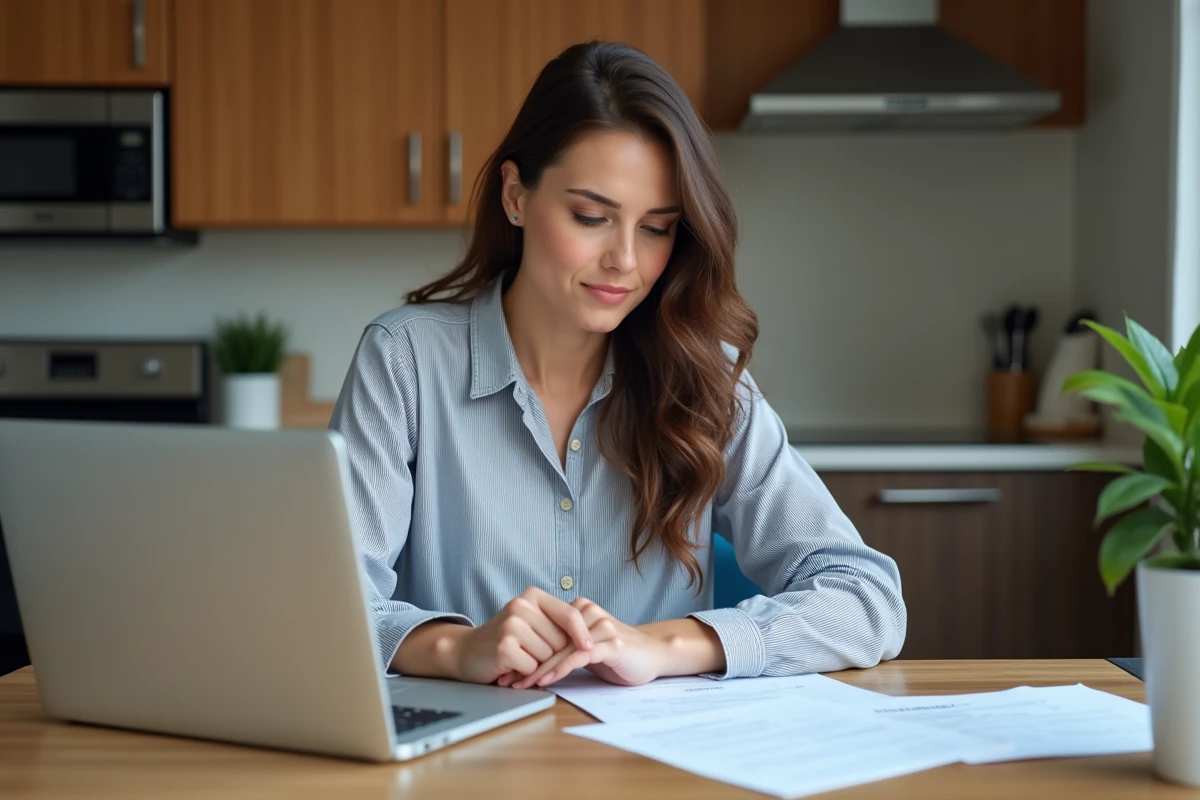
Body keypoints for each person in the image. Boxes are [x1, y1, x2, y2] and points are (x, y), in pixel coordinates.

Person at [330, 41, 905, 691]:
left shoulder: (705, 379)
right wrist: (456, 648)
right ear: (516, 196)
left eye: (657, 227)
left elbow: (866, 599)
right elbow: (331, 610)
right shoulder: (405, 361)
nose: (626, 261)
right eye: (592, 217)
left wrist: (667, 644)